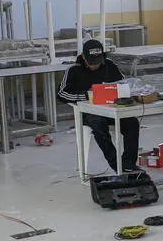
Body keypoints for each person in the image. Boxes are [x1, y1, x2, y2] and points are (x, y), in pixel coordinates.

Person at [58, 39, 141, 173]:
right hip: (88, 112)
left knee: (132, 122)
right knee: (99, 124)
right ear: (83, 57)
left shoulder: (109, 65)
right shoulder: (73, 70)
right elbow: (61, 94)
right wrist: (86, 95)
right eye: (91, 63)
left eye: (97, 62)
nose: (95, 66)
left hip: (111, 109)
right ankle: (117, 165)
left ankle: (129, 163)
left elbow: (123, 84)